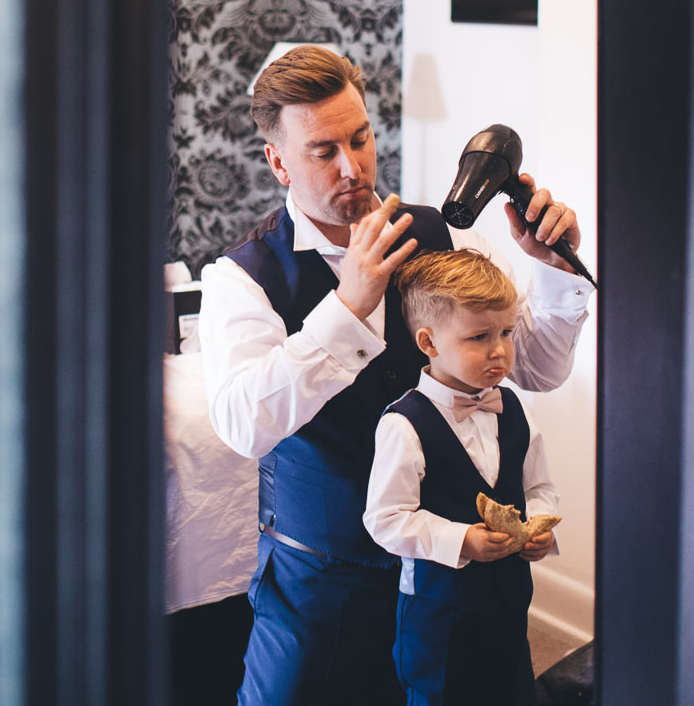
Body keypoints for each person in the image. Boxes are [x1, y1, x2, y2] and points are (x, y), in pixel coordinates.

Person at [198, 45, 591, 706]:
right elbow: (243, 424)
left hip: (455, 574)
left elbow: (539, 368)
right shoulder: (242, 279)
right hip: (324, 585)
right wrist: (348, 308)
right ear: (278, 163)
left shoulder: (444, 238)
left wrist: (552, 267)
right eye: (323, 150)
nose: (352, 167)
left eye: (360, 138)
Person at [365, 249, 560, 705]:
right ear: (429, 343)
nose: (499, 350)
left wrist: (541, 524)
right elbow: (385, 519)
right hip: (438, 612)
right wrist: (461, 541)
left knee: (511, 690)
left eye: (507, 332)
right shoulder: (403, 424)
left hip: (510, 603)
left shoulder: (515, 410)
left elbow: (539, 487)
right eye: (478, 337)